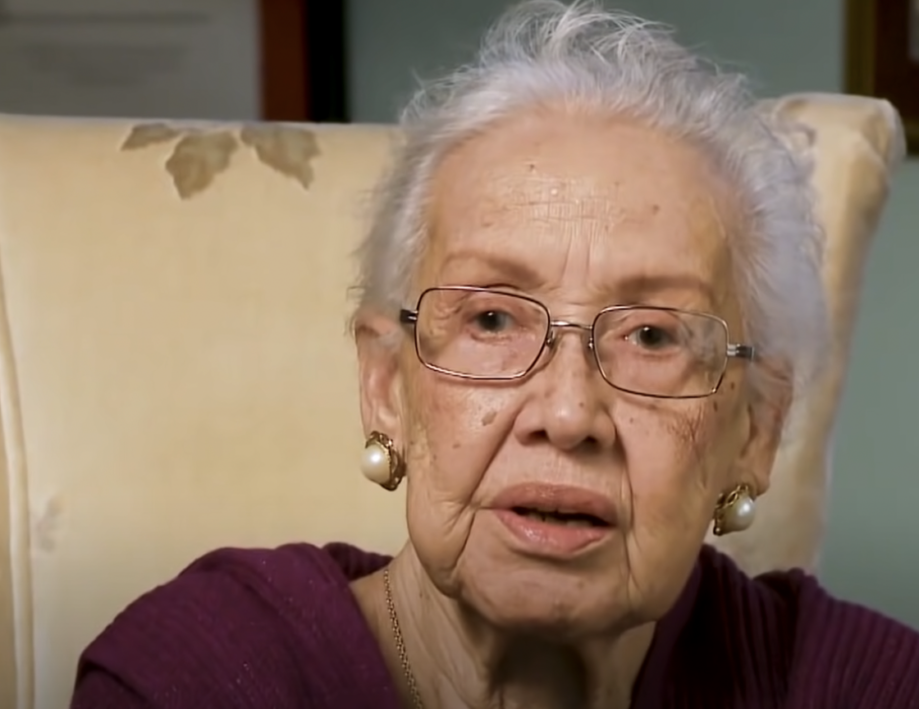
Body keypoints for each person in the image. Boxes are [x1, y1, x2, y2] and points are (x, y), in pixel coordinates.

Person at [70, 2, 919, 707]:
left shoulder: (856, 683)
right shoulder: (203, 675)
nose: (566, 413)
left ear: (757, 428)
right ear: (384, 385)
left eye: (653, 335)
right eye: (492, 319)